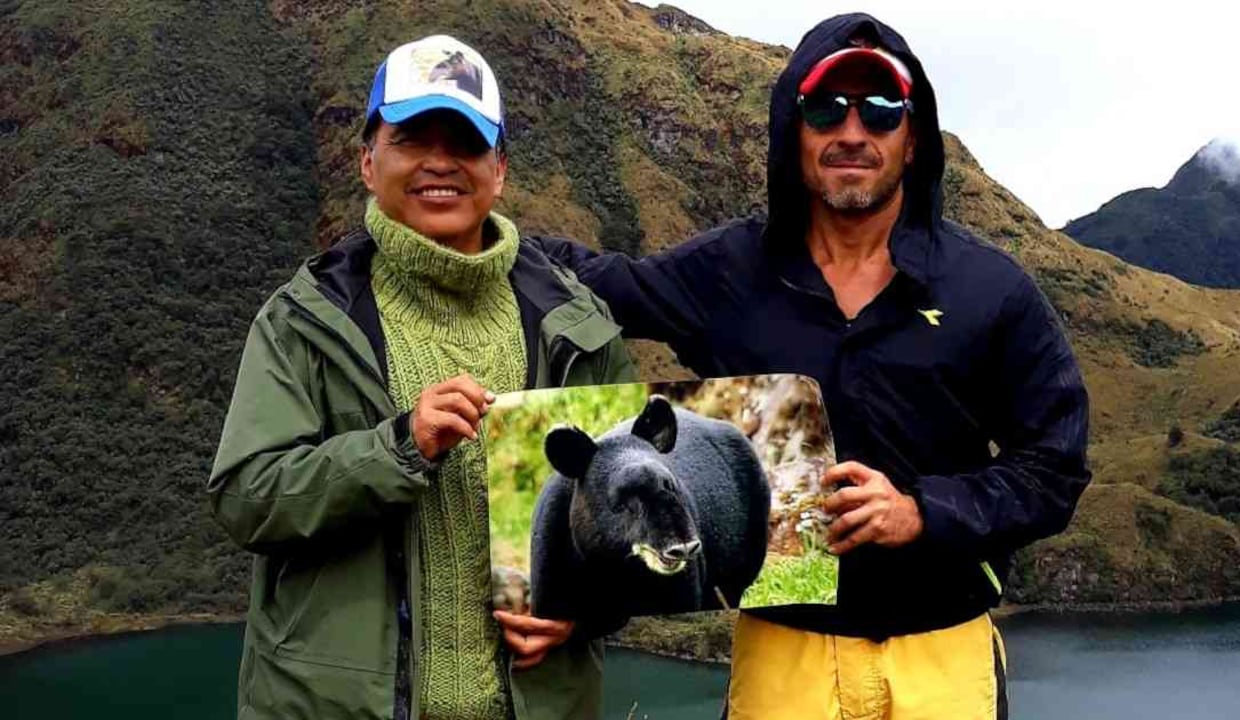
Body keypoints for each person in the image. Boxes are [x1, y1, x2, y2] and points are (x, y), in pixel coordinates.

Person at [533, 12, 1090, 719]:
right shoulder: (729, 273)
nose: (852, 132)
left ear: (913, 139)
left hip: (943, 653)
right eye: (826, 109)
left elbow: (1056, 467)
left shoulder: (991, 290)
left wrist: (923, 512)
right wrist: (473, 217)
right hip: (783, 654)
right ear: (792, 134)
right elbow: (601, 285)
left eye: (882, 110)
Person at [208, 34, 633, 720]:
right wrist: (399, 446)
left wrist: (586, 612)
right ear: (369, 161)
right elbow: (246, 496)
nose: (440, 162)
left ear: (498, 168)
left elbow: (620, 516)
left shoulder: (578, 327)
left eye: (464, 142)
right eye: (411, 139)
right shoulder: (304, 321)